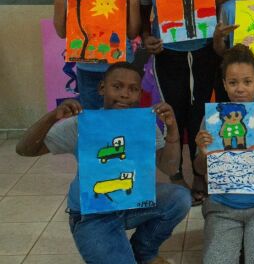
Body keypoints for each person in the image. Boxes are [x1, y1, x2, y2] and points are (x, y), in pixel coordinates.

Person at [15, 62, 191, 264]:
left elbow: (169, 167)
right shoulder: (82, 124)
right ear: (101, 88)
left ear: (139, 94)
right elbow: (25, 149)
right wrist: (52, 117)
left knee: (179, 198)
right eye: (117, 86)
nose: (125, 94)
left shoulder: (144, 123)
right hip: (93, 214)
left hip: (132, 204)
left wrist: (173, 130)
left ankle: (144, 252)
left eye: (133, 89)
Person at [138, 0, 226, 205]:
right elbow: (143, 15)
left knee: (200, 113)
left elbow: (222, 4)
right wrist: (146, 37)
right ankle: (175, 173)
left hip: (203, 53)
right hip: (168, 55)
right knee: (172, 113)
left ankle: (199, 172)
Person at [194, 44, 254, 264]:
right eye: (233, 82)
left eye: (247, 81)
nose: (240, 89)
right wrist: (203, 152)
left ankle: (249, 243)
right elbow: (199, 168)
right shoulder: (212, 120)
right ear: (224, 84)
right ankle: (240, 242)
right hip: (222, 206)